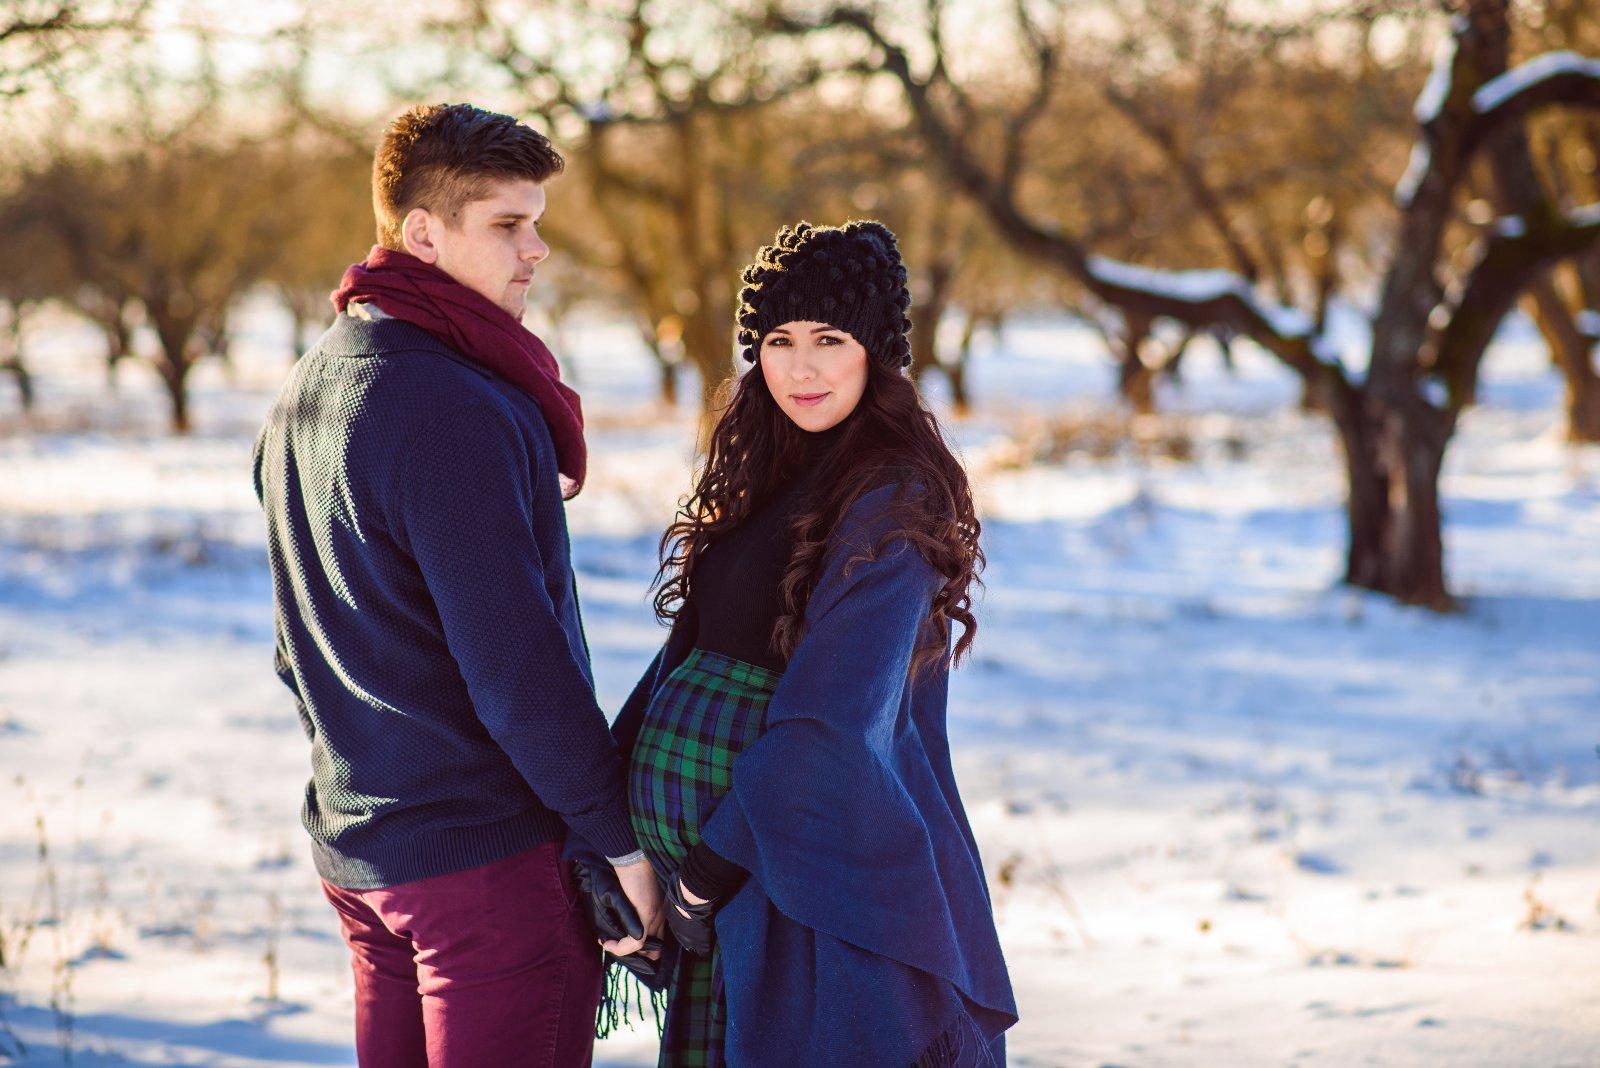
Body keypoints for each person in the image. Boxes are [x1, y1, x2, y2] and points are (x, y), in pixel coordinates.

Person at [251, 102, 662, 1067]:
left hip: (365, 864)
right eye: (508, 225)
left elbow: (294, 653)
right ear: (423, 233)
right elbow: (519, 672)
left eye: (537, 222)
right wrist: (619, 842)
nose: (537, 250)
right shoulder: (452, 406)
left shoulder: (306, 390)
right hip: (486, 876)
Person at [584, 220, 1018, 1065]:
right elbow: (684, 661)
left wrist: (708, 869)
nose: (800, 368)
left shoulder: (896, 497)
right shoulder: (765, 473)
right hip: (724, 899)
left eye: (829, 339)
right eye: (778, 341)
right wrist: (610, 838)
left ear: (877, 354)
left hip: (809, 880)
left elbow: (833, 718)